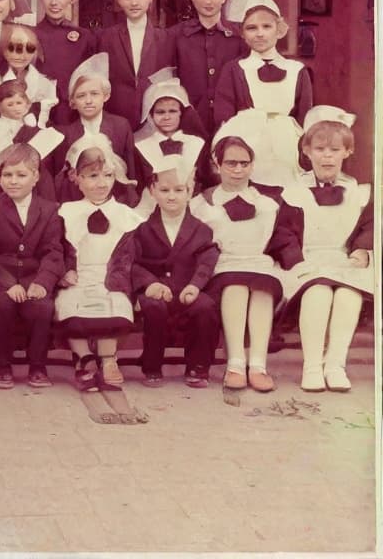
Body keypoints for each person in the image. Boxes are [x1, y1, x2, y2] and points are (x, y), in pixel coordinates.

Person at [189, 112, 302, 392]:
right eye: (230, 163)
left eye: (244, 163)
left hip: (259, 263)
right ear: (217, 164)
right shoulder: (202, 204)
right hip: (222, 266)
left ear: (252, 165)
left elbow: (281, 237)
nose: (237, 169)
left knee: (263, 289)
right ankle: (235, 363)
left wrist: (296, 263)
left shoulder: (268, 202)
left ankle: (258, 365)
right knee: (236, 288)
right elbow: (194, 245)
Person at [281, 107, 373, 392]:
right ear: (307, 151)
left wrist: (361, 250)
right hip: (307, 261)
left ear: (347, 152)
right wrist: (295, 259)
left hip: (343, 259)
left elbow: (368, 227)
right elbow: (282, 232)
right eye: (320, 149)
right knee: (318, 293)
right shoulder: (293, 190)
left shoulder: (358, 191)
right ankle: (312, 366)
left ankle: (335, 364)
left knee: (348, 294)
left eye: (335, 149)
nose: (327, 156)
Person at [56, 134, 143, 390]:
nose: (101, 183)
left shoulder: (126, 216)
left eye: (107, 175)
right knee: (70, 308)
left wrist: (118, 279)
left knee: (113, 309)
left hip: (111, 277)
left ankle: (108, 358)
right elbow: (54, 249)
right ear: (77, 179)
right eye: (92, 177)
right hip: (77, 277)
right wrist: (63, 273)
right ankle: (84, 357)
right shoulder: (65, 212)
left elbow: (131, 256)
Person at [128, 154, 220, 388]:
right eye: (165, 190)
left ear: (190, 192)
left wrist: (195, 286)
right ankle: (152, 365)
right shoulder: (142, 228)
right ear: (153, 190)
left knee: (205, 308)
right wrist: (150, 284)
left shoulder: (201, 230)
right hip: (157, 289)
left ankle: (198, 366)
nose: (171, 196)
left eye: (179, 190)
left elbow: (207, 261)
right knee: (153, 307)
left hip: (187, 288)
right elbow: (132, 262)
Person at [0, 144, 64, 389]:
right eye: (7, 175)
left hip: (34, 277)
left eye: (21, 175)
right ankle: (1, 365)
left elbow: (53, 251)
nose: (13, 181)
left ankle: (37, 366)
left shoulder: (48, 209)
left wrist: (41, 282)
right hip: (0, 277)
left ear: (35, 177)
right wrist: (7, 284)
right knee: (2, 305)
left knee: (43, 308)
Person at [213, 0, 312, 186]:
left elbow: (305, 117)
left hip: (288, 146)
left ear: (279, 29)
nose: (260, 33)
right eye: (251, 28)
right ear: (242, 33)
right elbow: (224, 117)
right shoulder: (235, 69)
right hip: (247, 144)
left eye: (266, 26)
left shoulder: (297, 70)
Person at [169, 0, 246, 136]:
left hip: (231, 123)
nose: (208, 1)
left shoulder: (240, 35)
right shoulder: (175, 36)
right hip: (187, 125)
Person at [54, 53, 137, 205]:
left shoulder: (120, 126)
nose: (88, 101)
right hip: (77, 201)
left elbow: (130, 169)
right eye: (81, 96)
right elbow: (62, 180)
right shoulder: (66, 133)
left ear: (105, 96)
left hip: (117, 200)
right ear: (72, 102)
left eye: (94, 94)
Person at [95, 0, 172, 125]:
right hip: (116, 117)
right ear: (118, 0)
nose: (134, 2)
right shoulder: (106, 37)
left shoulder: (165, 38)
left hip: (154, 118)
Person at [132, 69, 210, 214]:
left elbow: (205, 179)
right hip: (152, 205)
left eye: (172, 111)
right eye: (160, 112)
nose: (167, 117)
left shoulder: (196, 143)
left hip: (193, 204)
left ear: (181, 112)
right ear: (150, 115)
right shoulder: (141, 146)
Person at [34, 0, 97, 126]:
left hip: (74, 114)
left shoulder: (85, 37)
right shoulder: (31, 35)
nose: (54, 2)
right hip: (40, 112)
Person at [0, 80, 63, 200]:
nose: (16, 108)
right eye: (10, 104)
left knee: (43, 174)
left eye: (19, 103)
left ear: (27, 104)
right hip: (7, 171)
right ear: (0, 107)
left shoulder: (30, 123)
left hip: (32, 172)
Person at [0, 22, 58, 126]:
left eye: (29, 49)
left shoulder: (46, 84)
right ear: (2, 48)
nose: (22, 55)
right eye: (13, 48)